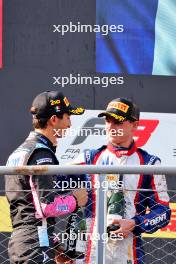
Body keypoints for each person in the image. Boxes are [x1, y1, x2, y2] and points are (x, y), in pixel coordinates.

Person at [74, 97, 171, 264]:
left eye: (118, 121)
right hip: (91, 253)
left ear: (134, 125)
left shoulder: (150, 163)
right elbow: (52, 185)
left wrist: (134, 223)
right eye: (108, 120)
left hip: (129, 253)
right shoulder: (88, 158)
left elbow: (163, 212)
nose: (111, 126)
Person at [5, 91, 88, 264]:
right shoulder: (41, 153)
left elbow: (29, 208)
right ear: (53, 120)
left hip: (25, 241)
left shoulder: (21, 151)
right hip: (34, 244)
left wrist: (54, 245)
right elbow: (45, 207)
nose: (69, 124)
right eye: (67, 117)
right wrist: (75, 199)